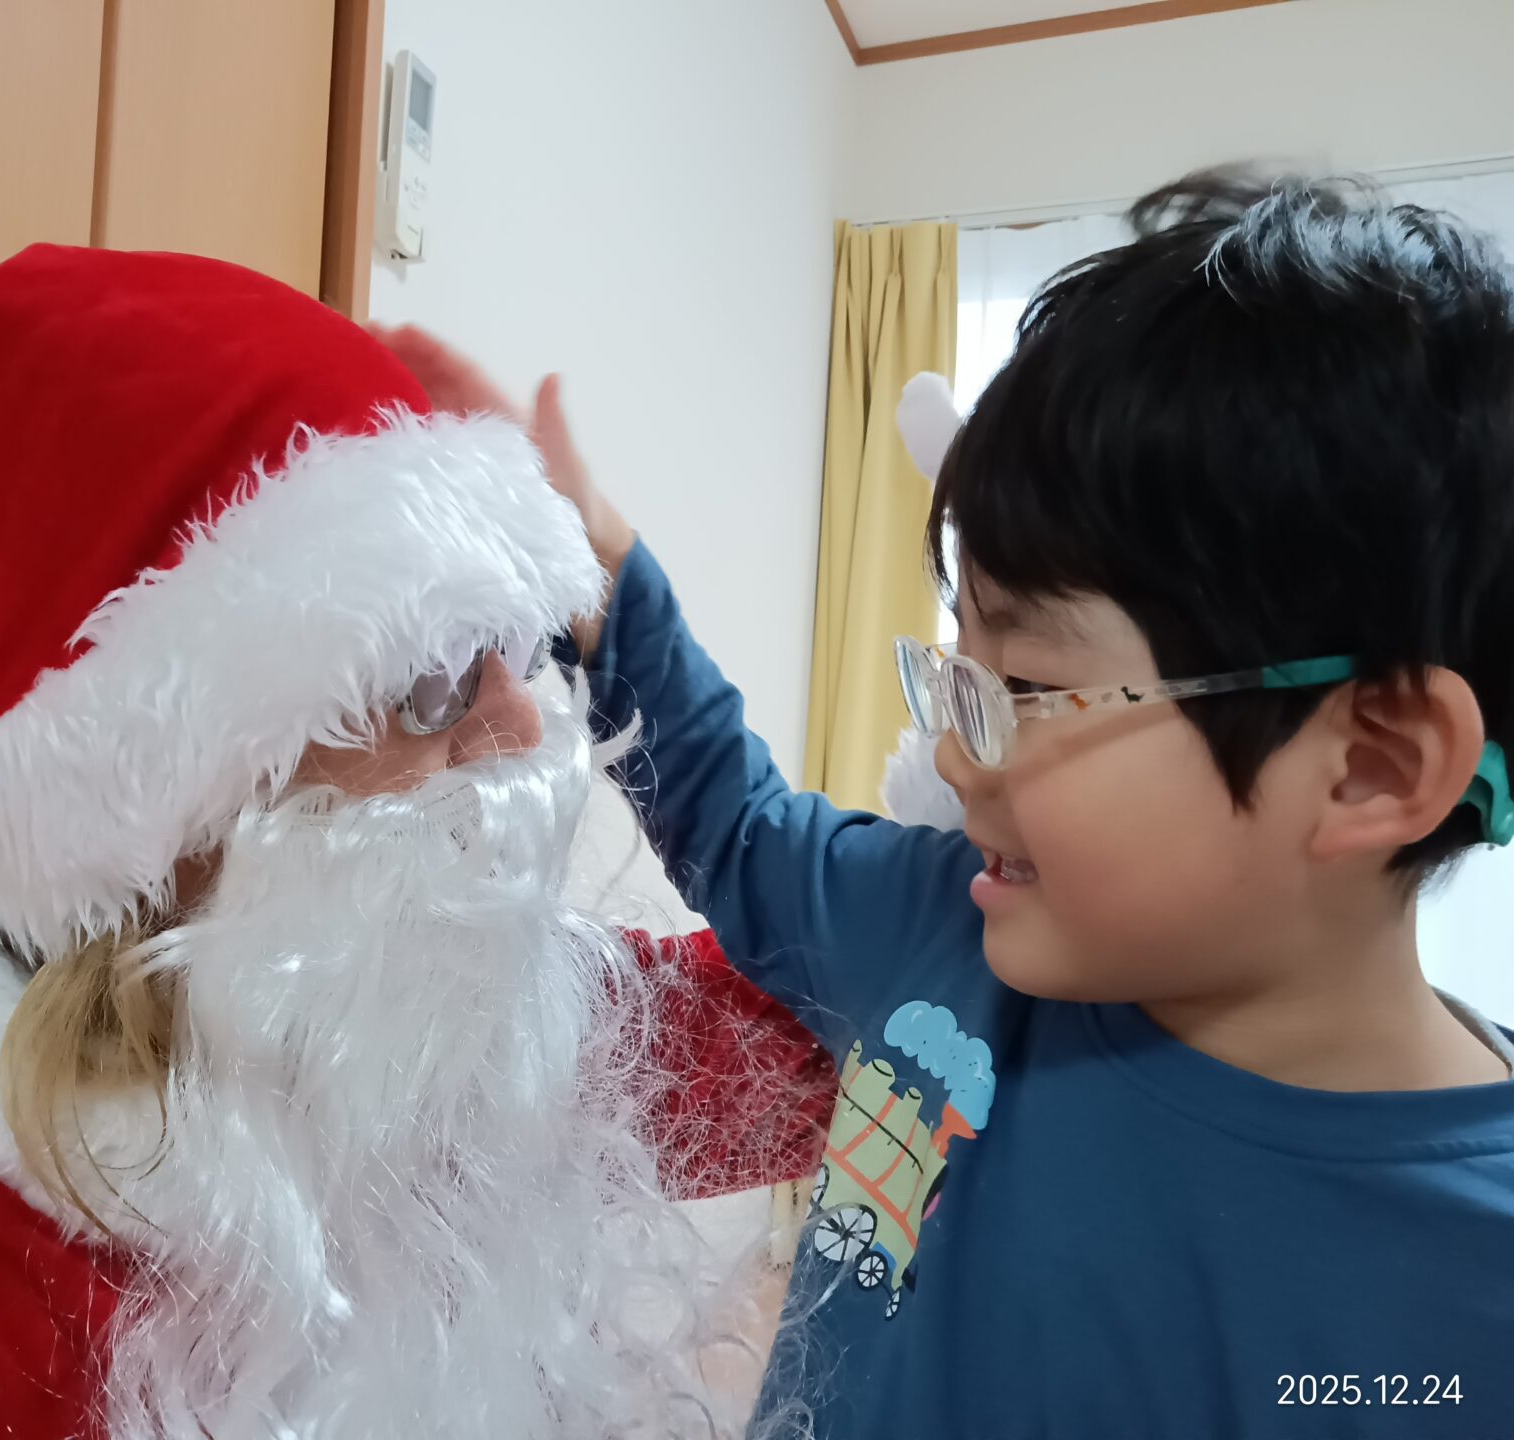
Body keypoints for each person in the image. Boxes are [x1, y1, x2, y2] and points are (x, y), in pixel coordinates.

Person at [0, 245, 835, 1439]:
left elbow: (869, 1031)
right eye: (431, 686)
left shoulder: (415, 1012)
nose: (521, 733)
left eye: (522, 651)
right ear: (152, 806)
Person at [383, 172, 1514, 1438]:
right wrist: (597, 571)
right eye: (955, 674)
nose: (956, 758)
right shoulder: (942, 928)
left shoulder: (1471, 1298)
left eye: (1023, 687)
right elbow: (741, 826)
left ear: (1371, 768)